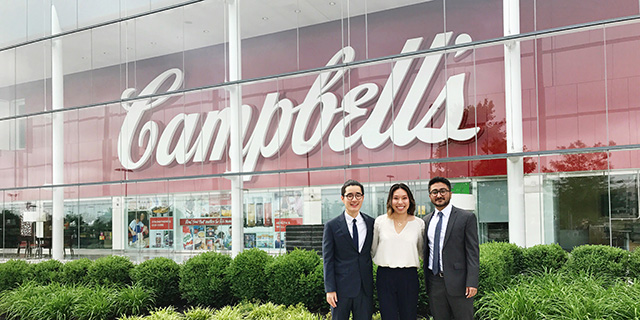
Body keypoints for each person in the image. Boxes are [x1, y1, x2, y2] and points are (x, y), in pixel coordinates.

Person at [423, 177, 479, 320]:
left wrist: (472, 282)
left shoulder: (466, 218)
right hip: (435, 283)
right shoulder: (426, 221)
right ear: (430, 196)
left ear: (450, 193)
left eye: (443, 191)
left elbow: (473, 253)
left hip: (460, 283)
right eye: (434, 192)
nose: (439, 195)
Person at [323, 179, 375, 320]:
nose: (354, 199)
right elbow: (328, 260)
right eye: (349, 195)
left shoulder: (371, 223)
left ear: (363, 198)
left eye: (358, 195)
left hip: (365, 289)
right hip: (340, 290)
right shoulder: (332, 226)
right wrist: (330, 289)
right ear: (342, 198)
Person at [371, 183, 425, 320]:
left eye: (404, 198)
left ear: (410, 200)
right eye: (396, 198)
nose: (400, 202)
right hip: (385, 276)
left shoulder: (419, 224)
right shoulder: (380, 222)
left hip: (409, 277)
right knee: (388, 316)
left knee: (409, 316)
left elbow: (422, 252)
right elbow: (373, 249)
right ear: (390, 200)